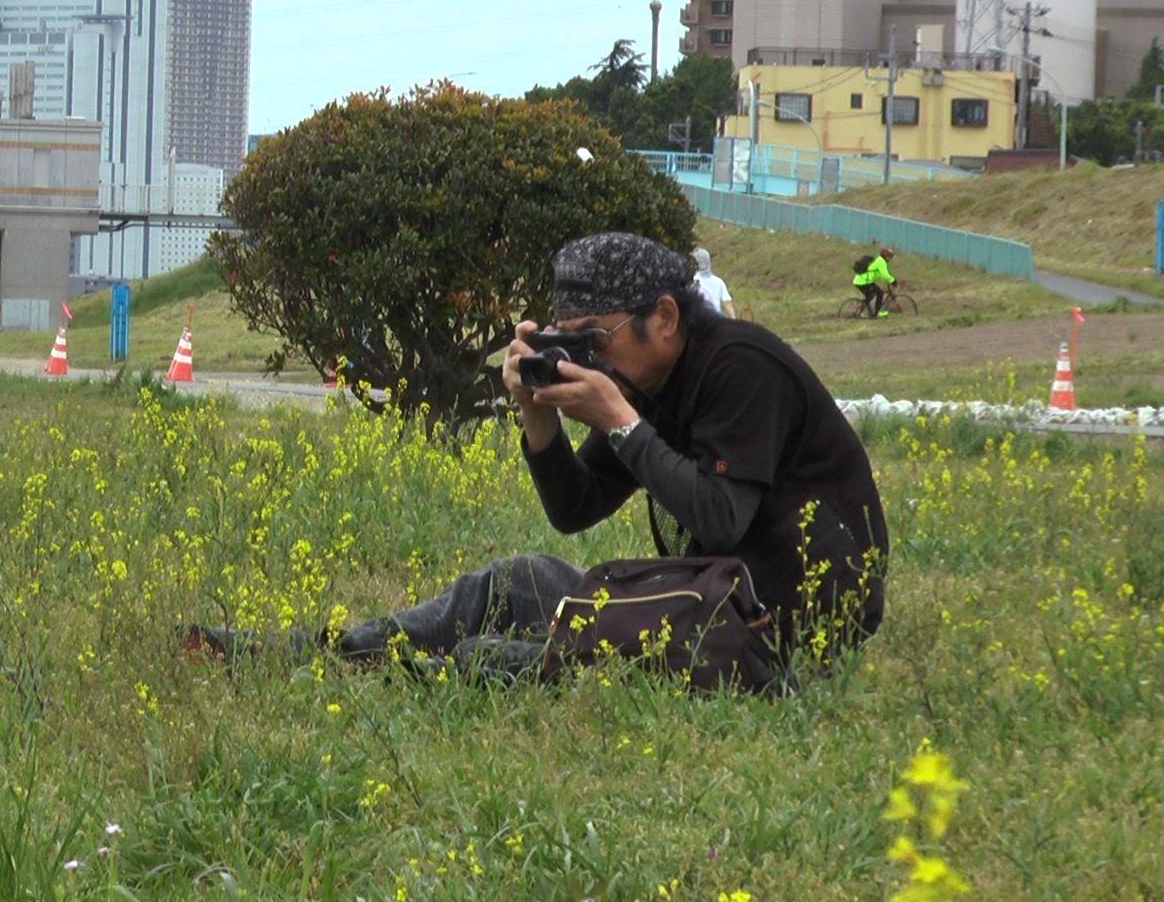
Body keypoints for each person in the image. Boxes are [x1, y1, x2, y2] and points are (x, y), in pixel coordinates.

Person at [192, 233, 888, 683]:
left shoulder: (741, 367)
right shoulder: (650, 382)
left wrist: (617, 418)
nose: (591, 358)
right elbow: (576, 510)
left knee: (491, 662)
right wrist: (540, 420)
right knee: (512, 581)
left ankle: (404, 677)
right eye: (572, 341)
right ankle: (318, 655)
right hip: (698, 604)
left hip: (781, 632)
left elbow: (722, 515)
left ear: (666, 318)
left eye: (598, 338)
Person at [692, 247, 738, 319]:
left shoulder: (692, 281)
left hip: (698, 320)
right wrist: (734, 322)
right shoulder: (719, 282)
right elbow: (727, 303)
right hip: (715, 321)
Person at [852, 247, 896, 319]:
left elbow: (880, 274)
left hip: (862, 281)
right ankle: (876, 313)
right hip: (863, 282)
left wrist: (888, 280)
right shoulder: (881, 262)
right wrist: (893, 281)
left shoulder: (879, 260)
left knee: (871, 296)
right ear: (886, 256)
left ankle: (861, 311)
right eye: (890, 257)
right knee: (880, 293)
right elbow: (885, 274)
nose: (890, 259)